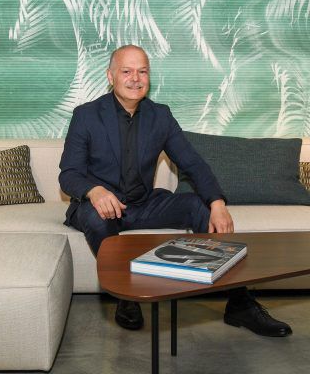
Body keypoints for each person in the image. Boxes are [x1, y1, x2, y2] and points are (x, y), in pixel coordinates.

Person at [59, 45, 292, 337]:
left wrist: (217, 203)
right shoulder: (86, 115)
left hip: (142, 204)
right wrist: (94, 191)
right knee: (97, 217)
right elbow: (69, 173)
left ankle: (240, 304)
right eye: (127, 71)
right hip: (98, 207)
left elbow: (192, 163)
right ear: (111, 76)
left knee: (198, 207)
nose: (135, 79)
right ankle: (126, 298)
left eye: (142, 71)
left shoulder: (160, 115)